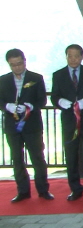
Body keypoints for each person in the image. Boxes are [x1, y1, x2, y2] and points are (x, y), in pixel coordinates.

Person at [0, 49, 52, 202]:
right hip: (12, 126)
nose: (17, 67)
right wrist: (7, 107)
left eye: (19, 63)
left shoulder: (36, 78)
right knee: (17, 158)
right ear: (9, 64)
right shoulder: (3, 80)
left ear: (24, 61)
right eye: (13, 65)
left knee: (37, 157)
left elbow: (42, 100)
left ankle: (43, 190)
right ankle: (23, 191)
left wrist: (31, 106)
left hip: (32, 125)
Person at [51, 44, 83, 200]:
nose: (73, 59)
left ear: (82, 57)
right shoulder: (58, 75)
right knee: (71, 157)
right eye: (70, 56)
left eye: (76, 56)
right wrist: (60, 102)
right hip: (69, 122)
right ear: (66, 57)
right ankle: (75, 189)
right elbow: (54, 96)